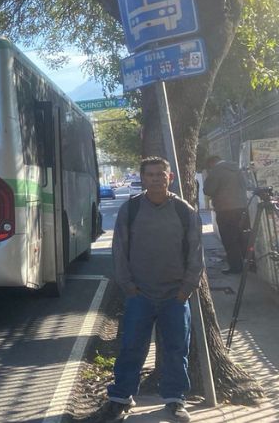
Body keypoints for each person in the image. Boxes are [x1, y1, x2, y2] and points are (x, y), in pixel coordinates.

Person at [103, 156, 204, 423]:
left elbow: (195, 254)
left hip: (175, 295)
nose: (156, 178)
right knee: (131, 348)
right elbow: (119, 251)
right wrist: (129, 287)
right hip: (140, 295)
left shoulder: (184, 211)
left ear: (169, 178)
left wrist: (186, 289)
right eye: (150, 174)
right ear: (143, 178)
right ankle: (120, 398)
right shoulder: (131, 209)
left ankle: (174, 400)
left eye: (161, 174)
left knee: (175, 350)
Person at [203, 155, 250, 274]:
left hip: (225, 210)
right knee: (244, 237)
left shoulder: (216, 171)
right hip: (242, 208)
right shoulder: (237, 168)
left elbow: (208, 190)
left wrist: (210, 177)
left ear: (211, 164)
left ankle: (236, 267)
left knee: (229, 239)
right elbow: (246, 185)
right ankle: (250, 264)